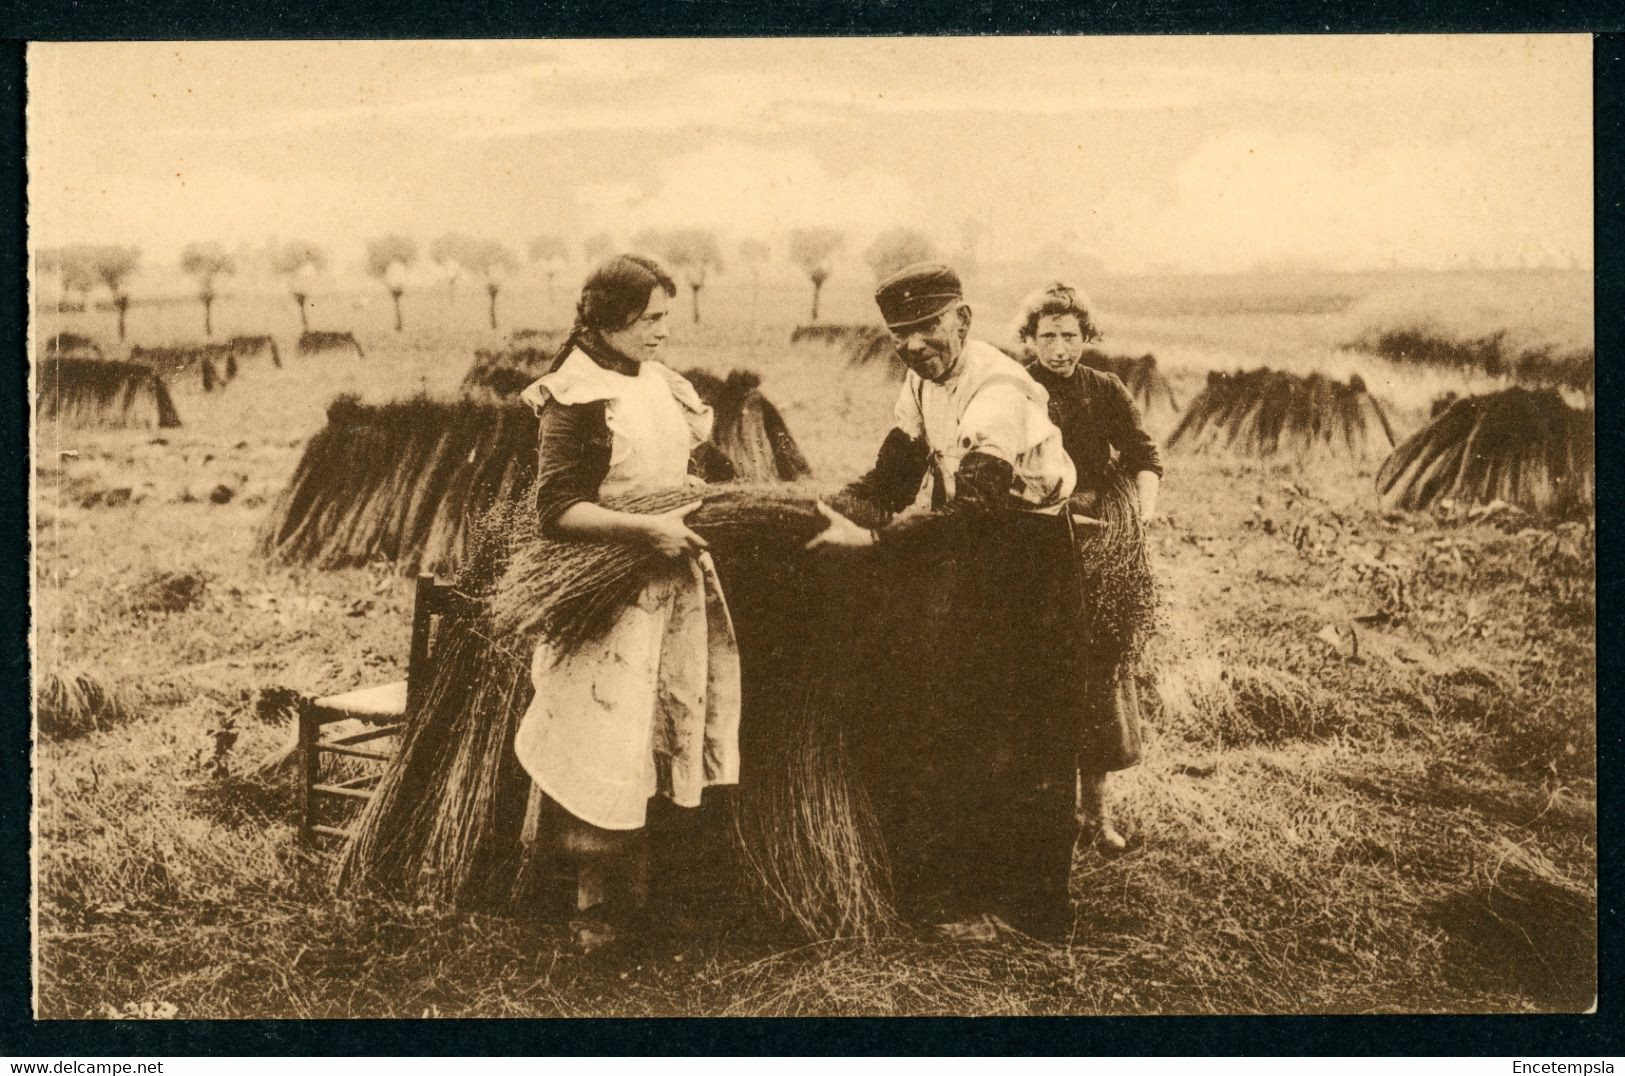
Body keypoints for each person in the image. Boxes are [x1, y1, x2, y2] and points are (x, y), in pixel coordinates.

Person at [806, 262, 1083, 940]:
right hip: (974, 555)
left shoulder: (997, 389)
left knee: (1026, 734)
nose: (913, 344)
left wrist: (871, 546)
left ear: (961, 318)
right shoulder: (920, 381)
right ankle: (970, 886)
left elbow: (979, 508)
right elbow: (891, 478)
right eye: (900, 334)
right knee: (966, 720)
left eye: (927, 328)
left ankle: (1033, 912)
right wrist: (812, 516)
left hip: (1030, 560)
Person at [513, 254, 741, 953]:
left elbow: (691, 470)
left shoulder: (663, 386)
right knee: (604, 736)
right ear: (608, 320)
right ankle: (594, 908)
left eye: (665, 317)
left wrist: (706, 508)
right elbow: (555, 510)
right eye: (649, 319)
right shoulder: (575, 395)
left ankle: (651, 899)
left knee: (664, 724)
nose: (661, 330)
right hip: (607, 598)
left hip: (672, 583)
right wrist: (644, 529)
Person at [1014, 280, 1162, 852]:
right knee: (1041, 677)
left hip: (1100, 546)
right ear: (1028, 339)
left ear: (1086, 337)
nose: (1059, 348)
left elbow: (1144, 456)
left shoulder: (1105, 389)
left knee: (1099, 676)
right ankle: (1049, 816)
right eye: (1047, 336)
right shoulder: (1016, 390)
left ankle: (1097, 819)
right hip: (1035, 542)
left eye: (1069, 336)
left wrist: (1138, 517)